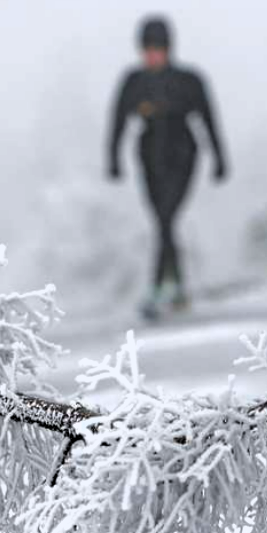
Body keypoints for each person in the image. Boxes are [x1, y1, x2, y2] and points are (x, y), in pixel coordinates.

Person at [107, 16, 228, 320]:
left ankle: (158, 288)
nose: (152, 55)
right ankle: (179, 288)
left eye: (157, 48)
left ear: (168, 48)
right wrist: (113, 158)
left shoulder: (188, 80)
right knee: (163, 222)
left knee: (165, 219)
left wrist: (219, 158)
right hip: (148, 157)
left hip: (183, 155)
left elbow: (208, 118)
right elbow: (118, 120)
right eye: (148, 49)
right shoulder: (134, 82)